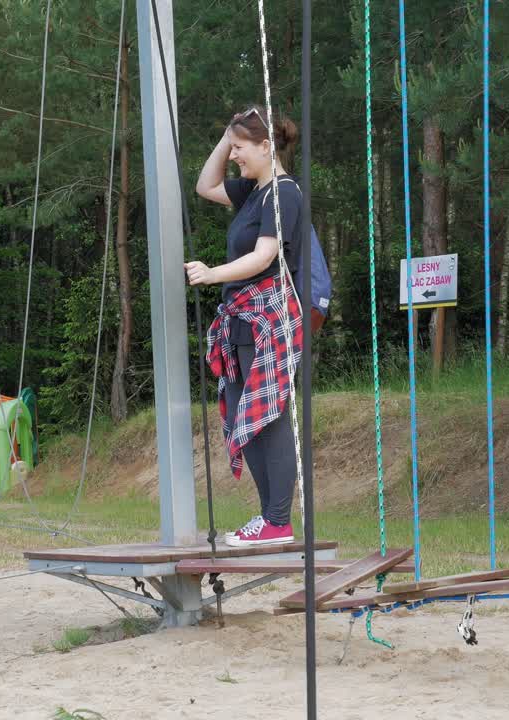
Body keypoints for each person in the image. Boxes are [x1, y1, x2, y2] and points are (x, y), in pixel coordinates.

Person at [190, 105, 305, 547]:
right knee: (245, 418)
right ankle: (269, 519)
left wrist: (212, 273)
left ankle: (278, 520)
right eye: (232, 148)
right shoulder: (253, 192)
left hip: (268, 321)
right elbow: (205, 185)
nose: (234, 155)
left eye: (241, 148)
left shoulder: (284, 193)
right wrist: (227, 134)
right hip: (240, 320)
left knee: (269, 418)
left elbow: (264, 256)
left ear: (266, 146)